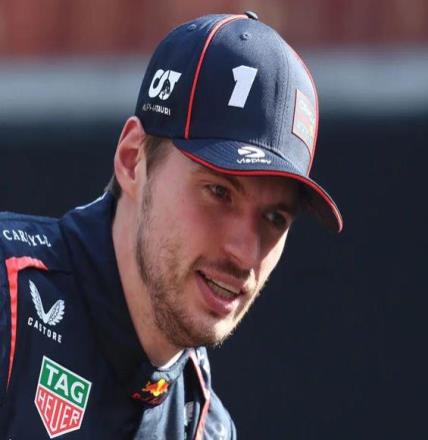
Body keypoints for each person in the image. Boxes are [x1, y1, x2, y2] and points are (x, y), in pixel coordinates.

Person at [0, 11, 343, 439]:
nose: (244, 253)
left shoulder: (206, 428)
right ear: (132, 160)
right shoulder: (10, 302)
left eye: (275, 218)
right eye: (219, 192)